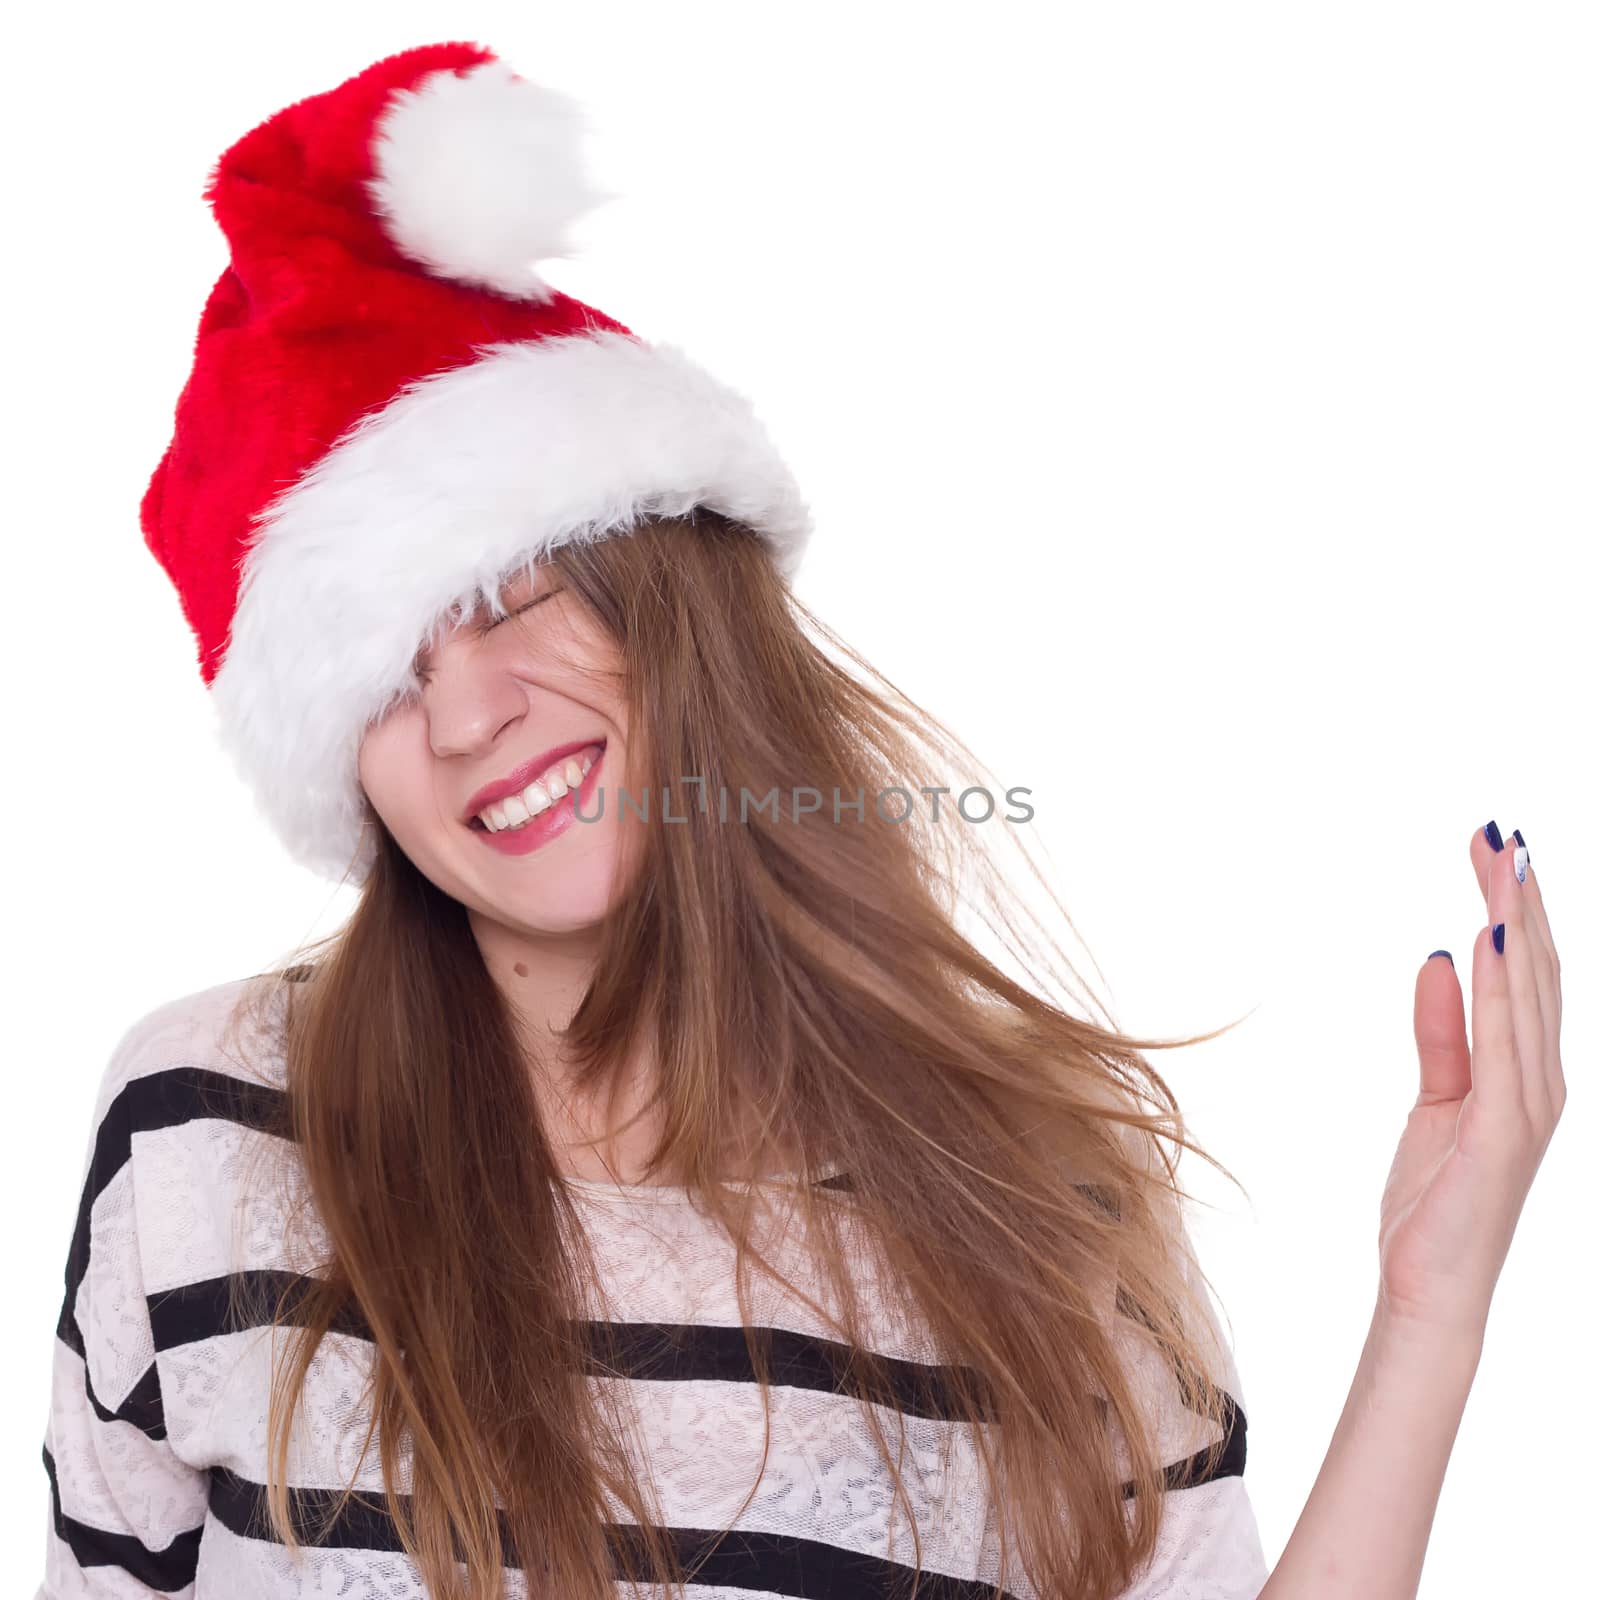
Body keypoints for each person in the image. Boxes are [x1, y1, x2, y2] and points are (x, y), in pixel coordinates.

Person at [35, 40, 1564, 1600]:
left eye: (509, 594)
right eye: (378, 677)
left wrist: (1429, 1315)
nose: (468, 715)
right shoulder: (203, 1133)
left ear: (670, 599)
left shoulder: (1035, 1211)